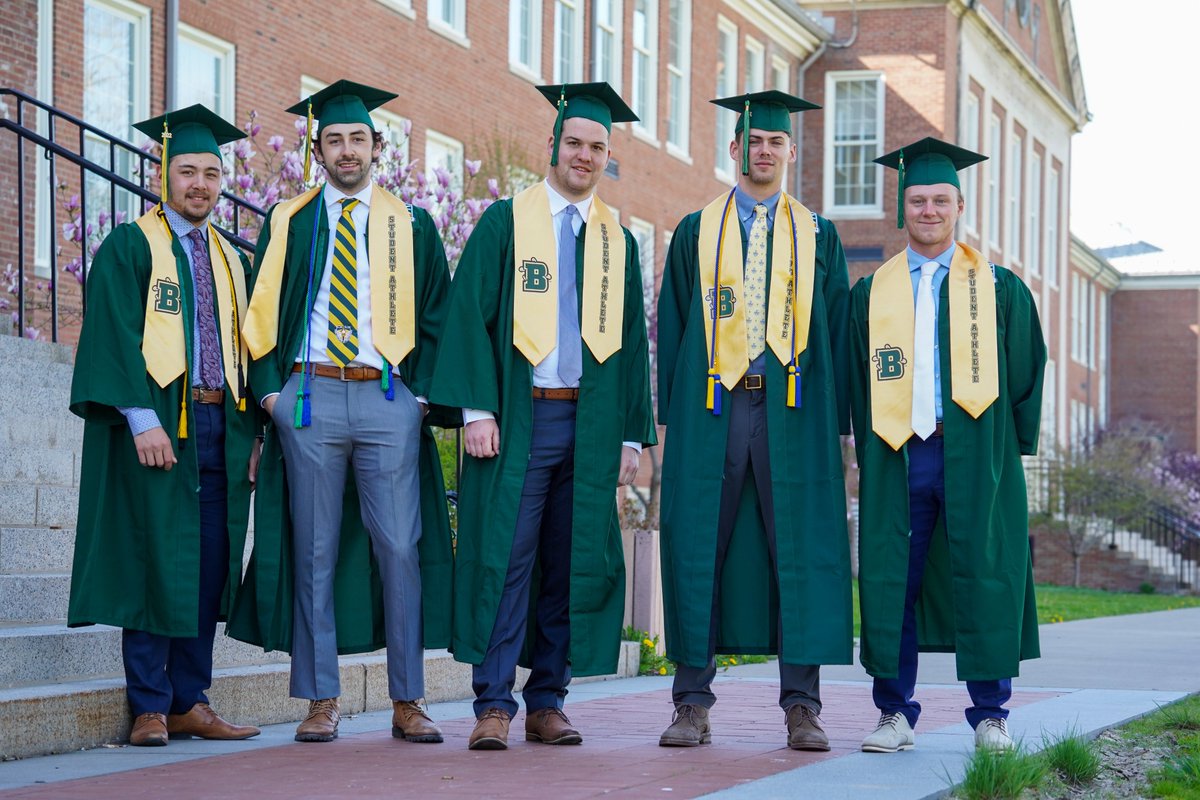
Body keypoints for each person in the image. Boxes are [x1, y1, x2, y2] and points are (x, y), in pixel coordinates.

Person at [429, 81, 656, 751]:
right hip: (519, 419)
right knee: (504, 557)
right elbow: (469, 316)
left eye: (597, 147)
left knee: (571, 559)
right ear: (552, 146)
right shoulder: (507, 220)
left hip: (588, 424)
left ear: (606, 155)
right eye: (575, 144)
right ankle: (492, 702)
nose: (584, 156)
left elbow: (634, 347)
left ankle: (547, 699)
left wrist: (630, 433)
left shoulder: (620, 241)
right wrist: (476, 409)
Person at [232, 80, 455, 744]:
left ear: (376, 146)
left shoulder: (411, 224)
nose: (348, 150)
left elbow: (438, 318)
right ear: (318, 148)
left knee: (399, 548)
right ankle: (320, 698)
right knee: (314, 550)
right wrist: (268, 394)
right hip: (309, 396)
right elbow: (259, 311)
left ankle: (408, 697)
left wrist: (419, 400)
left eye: (358, 138)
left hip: (387, 393)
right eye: (335, 139)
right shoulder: (290, 220)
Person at [655, 90, 853, 750]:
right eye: (753, 142)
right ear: (734, 150)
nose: (763, 151)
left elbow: (840, 331)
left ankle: (802, 704)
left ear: (791, 152)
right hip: (713, 404)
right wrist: (667, 423)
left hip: (794, 407)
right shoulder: (696, 231)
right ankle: (690, 701)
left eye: (776, 141)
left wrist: (842, 429)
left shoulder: (818, 235)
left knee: (798, 544)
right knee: (696, 542)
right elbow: (676, 327)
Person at [68, 104, 261, 747]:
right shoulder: (131, 245)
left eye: (211, 172)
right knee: (155, 557)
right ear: (163, 173)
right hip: (159, 429)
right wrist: (141, 417)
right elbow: (113, 334)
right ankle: (149, 703)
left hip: (221, 428)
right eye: (188, 171)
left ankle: (189, 698)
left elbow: (252, 350)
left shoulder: (232, 260)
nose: (201, 184)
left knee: (208, 567)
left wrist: (255, 434)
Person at [849, 137, 1046, 753]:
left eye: (939, 200)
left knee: (984, 575)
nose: (928, 210)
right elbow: (858, 378)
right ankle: (893, 714)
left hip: (974, 451)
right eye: (917, 200)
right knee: (891, 581)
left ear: (959, 205)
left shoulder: (998, 289)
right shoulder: (870, 293)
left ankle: (991, 715)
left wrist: (999, 452)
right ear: (901, 207)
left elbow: (1025, 373)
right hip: (897, 453)